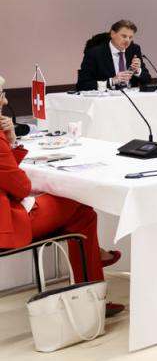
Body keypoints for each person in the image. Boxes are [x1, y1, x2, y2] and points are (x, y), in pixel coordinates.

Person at [0, 75, 124, 316]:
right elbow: (22, 187)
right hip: (8, 222)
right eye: (2, 95)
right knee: (80, 203)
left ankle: (93, 291)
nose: (5, 101)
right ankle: (92, 292)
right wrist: (10, 142)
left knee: (82, 214)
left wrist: (11, 140)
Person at [75, 19, 151, 90]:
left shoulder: (134, 49)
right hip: (106, 100)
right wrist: (112, 81)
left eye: (130, 37)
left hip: (131, 97)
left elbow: (147, 80)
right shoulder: (94, 53)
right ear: (112, 34)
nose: (127, 40)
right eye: (124, 36)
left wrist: (138, 71)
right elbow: (82, 84)